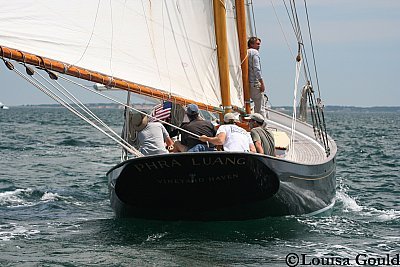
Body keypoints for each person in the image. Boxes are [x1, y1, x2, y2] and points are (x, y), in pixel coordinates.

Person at [248, 36, 267, 118]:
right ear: (251, 44)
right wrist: (262, 83)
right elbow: (257, 69)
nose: (259, 46)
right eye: (257, 44)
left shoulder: (245, 52)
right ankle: (261, 125)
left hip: (245, 84)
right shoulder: (254, 53)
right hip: (254, 84)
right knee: (260, 108)